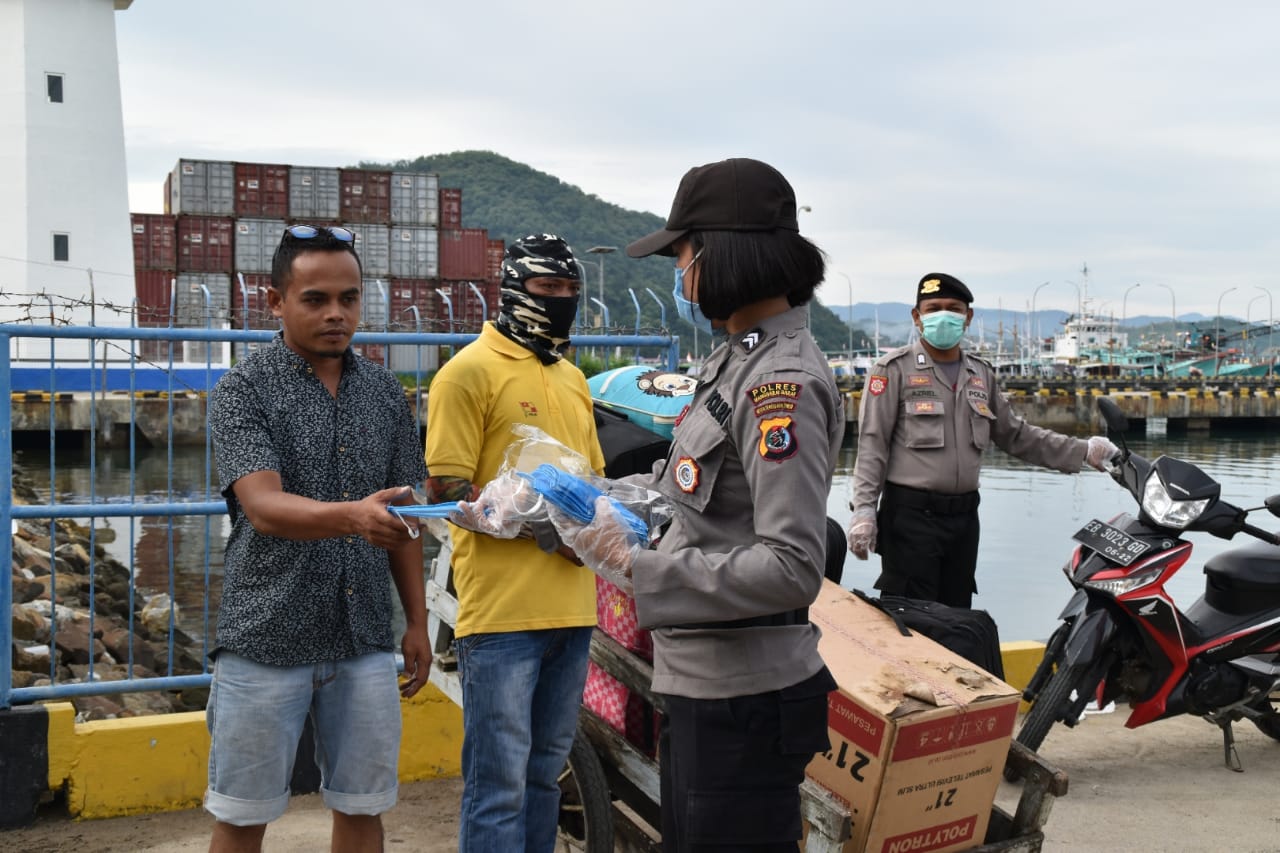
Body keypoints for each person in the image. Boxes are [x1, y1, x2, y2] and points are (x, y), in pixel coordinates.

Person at [568, 157, 844, 852]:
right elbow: (682, 500)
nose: (680, 273)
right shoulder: (734, 361)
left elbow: (791, 565)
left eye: (683, 253)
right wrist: (575, 509)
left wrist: (644, 571)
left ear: (720, 254)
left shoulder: (782, 384)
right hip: (704, 684)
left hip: (745, 700)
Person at [204, 224, 431, 853]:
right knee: (242, 815)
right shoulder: (243, 391)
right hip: (265, 634)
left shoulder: (386, 393)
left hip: (362, 636)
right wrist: (355, 517)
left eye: (349, 298)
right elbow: (264, 506)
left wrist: (415, 621)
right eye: (315, 299)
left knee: (364, 808)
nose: (336, 313)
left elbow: (404, 518)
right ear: (275, 301)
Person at [424, 234, 605, 853]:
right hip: (501, 616)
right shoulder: (467, 372)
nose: (560, 301)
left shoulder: (575, 378)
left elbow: (592, 484)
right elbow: (448, 490)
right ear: (511, 289)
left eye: (569, 291)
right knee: (498, 784)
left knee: (543, 779)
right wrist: (542, 529)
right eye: (547, 288)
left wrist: (614, 529)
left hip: (576, 609)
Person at [847, 272, 1118, 608]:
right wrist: (863, 512)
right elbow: (873, 445)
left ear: (968, 317)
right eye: (933, 308)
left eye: (953, 308)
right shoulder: (893, 370)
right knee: (912, 617)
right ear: (917, 317)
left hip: (963, 519)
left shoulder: (980, 374)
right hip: (910, 518)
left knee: (957, 616)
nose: (942, 315)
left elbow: (1015, 434)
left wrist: (1083, 451)